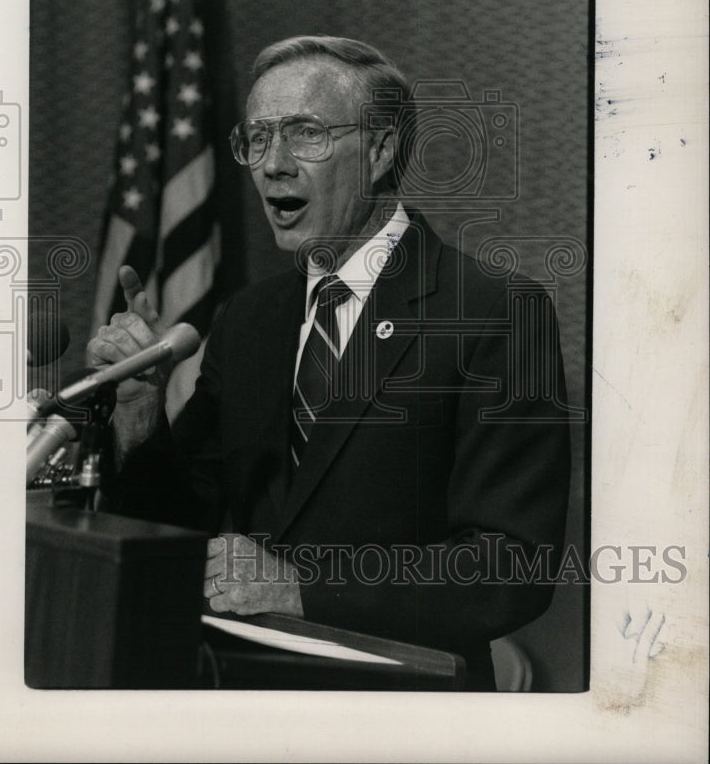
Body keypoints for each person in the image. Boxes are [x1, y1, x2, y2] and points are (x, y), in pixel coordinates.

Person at [89, 35, 571, 690]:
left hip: (407, 704)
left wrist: (303, 587)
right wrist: (140, 418)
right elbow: (182, 524)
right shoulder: (248, 320)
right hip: (240, 685)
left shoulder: (493, 311)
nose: (272, 165)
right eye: (255, 140)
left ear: (379, 150)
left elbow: (508, 567)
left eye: (303, 134)